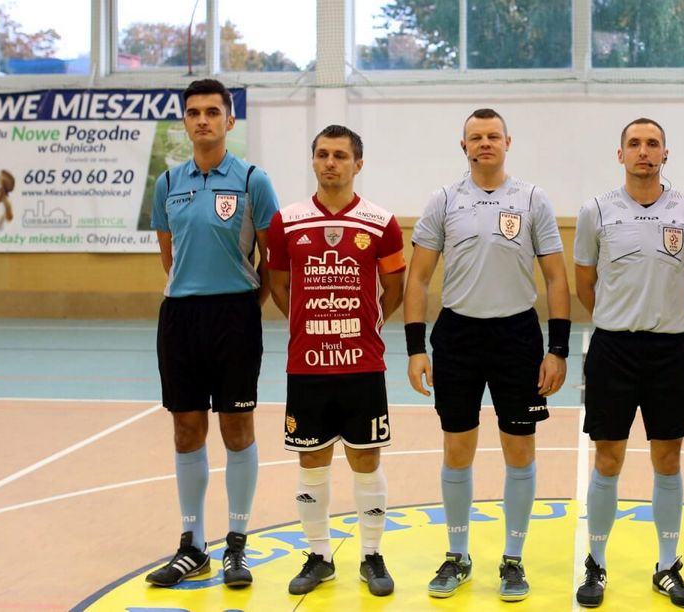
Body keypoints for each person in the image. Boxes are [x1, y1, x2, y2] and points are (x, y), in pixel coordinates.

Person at [403, 108, 570, 602]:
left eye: (493, 136)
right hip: (458, 336)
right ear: (464, 146)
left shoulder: (533, 199)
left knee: (519, 449)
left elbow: (556, 277)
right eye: (475, 137)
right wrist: (415, 349)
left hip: (517, 336)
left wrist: (558, 349)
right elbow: (418, 277)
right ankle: (457, 554)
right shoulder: (444, 199)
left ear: (507, 142)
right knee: (457, 448)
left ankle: (513, 559)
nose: (484, 143)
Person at [573, 118, 684, 609]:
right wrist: (620, 318)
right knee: (607, 459)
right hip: (612, 350)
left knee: (668, 460)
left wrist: (664, 319)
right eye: (634, 144)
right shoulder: (596, 211)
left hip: (669, 352)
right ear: (621, 154)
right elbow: (584, 282)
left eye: (653, 144)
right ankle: (596, 564)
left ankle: (667, 566)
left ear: (665, 154)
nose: (643, 151)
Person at [145, 79, 279, 588]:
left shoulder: (253, 181)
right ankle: (193, 544)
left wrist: (246, 307)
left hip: (235, 316)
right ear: (184, 121)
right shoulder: (167, 182)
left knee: (237, 428)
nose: (202, 119)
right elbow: (169, 255)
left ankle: (237, 543)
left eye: (212, 111)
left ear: (229, 120)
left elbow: (273, 260)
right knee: (186, 429)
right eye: (193, 112)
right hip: (181, 318)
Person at [266, 125, 404, 597]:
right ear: (313, 161)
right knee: (312, 460)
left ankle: (371, 555)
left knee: (366, 459)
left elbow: (395, 288)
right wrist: (308, 324)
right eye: (323, 154)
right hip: (307, 365)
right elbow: (278, 285)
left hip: (363, 363)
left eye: (340, 156)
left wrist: (364, 325)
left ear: (357, 164)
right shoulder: (287, 221)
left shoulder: (381, 222)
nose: (330, 163)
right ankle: (319, 555)